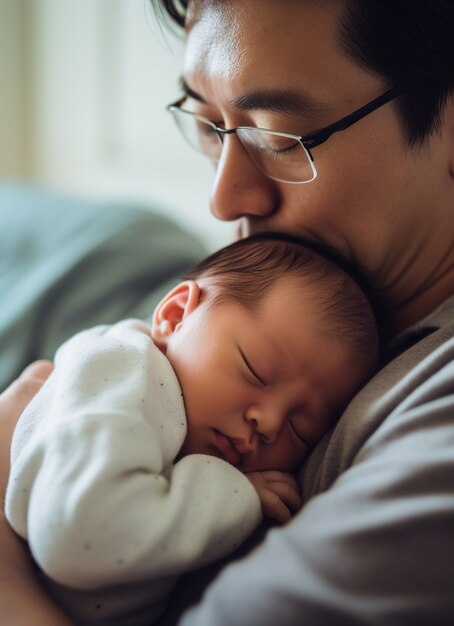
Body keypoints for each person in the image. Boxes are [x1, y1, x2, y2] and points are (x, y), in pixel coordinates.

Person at [0, 0, 453, 624]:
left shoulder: (435, 420)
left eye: (276, 137)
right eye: (210, 126)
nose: (223, 201)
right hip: (100, 263)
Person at [5, 233, 378, 626]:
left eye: (299, 428)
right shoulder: (125, 370)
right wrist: (236, 495)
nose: (267, 424)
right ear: (175, 315)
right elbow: (79, 536)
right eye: (256, 370)